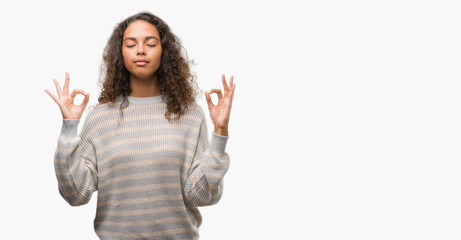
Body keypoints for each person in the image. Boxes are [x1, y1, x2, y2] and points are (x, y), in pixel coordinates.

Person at [45, 11, 235, 240]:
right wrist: (69, 127)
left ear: (164, 52)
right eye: (131, 44)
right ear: (120, 53)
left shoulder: (191, 116)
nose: (141, 50)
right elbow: (75, 194)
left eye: (151, 43)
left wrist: (220, 132)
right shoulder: (100, 118)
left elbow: (202, 196)